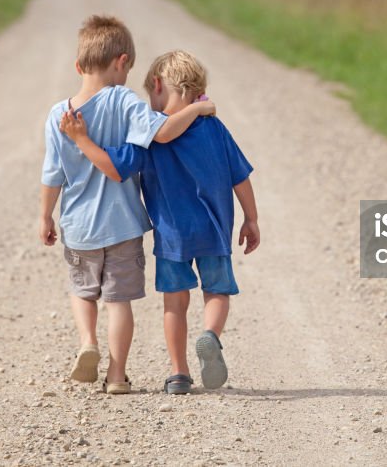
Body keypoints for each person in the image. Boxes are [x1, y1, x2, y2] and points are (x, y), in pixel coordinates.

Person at [59, 50, 259, 394]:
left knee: (175, 304)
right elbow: (240, 176)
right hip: (214, 229)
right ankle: (210, 335)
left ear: (156, 85)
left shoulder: (148, 135)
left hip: (172, 236)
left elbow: (115, 167)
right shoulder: (214, 127)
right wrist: (251, 219)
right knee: (218, 292)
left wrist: (82, 140)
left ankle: (179, 373)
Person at [40, 17, 215, 394]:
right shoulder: (123, 101)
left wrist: (44, 217)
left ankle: (88, 341)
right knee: (118, 302)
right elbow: (164, 131)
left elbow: (52, 174)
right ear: (122, 62)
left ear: (78, 66)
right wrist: (199, 109)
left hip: (79, 225)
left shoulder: (58, 115)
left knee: (82, 290)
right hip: (122, 225)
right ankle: (117, 376)